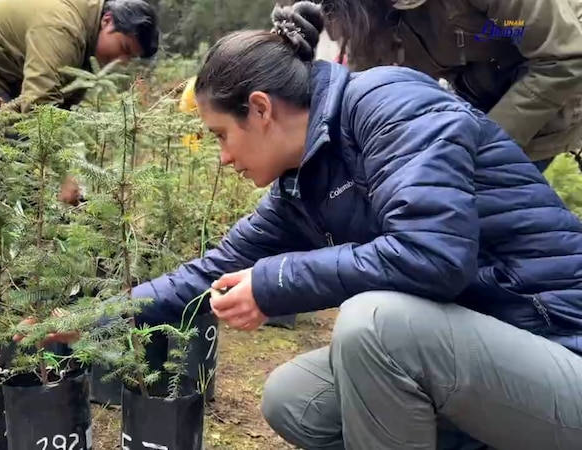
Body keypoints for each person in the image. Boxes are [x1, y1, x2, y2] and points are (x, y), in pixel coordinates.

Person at [29, 1, 582, 448]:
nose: (220, 157)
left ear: (262, 109)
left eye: (222, 134)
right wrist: (90, 318)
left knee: (374, 324)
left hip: (556, 342)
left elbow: (434, 255)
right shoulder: (302, 184)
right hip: (489, 351)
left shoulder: (388, 105)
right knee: (294, 399)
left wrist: (274, 283)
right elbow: (207, 273)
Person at [319, 0, 582, 173]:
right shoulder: (362, 9)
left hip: (553, 87)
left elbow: (563, 58)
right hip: (478, 89)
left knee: (489, 210)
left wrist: (478, 147)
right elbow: (367, 82)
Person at [0, 0, 159, 110]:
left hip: (11, 76)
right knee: (8, 148)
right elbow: (40, 104)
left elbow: (63, 108)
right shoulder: (63, 28)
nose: (121, 61)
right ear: (107, 20)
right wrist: (62, 176)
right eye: (124, 48)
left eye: (130, 58)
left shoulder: (88, 45)